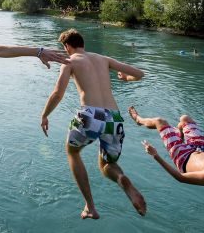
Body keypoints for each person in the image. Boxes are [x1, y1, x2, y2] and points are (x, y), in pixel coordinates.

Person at [39, 29, 146, 219]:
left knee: (72, 152)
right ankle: (122, 179)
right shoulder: (103, 59)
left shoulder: (69, 61)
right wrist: (125, 78)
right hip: (114, 118)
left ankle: (90, 206)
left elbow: (58, 93)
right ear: (82, 43)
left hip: (91, 114)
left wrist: (45, 115)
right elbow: (139, 73)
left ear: (67, 46)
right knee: (107, 164)